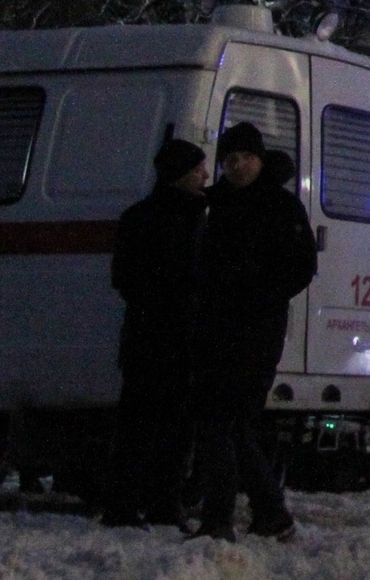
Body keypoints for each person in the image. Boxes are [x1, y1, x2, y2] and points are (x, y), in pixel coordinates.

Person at [188, 122, 317, 543]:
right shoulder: (217, 205)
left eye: (245, 158)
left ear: (260, 160)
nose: (238, 166)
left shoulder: (280, 207)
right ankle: (268, 512)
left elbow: (301, 266)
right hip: (216, 328)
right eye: (230, 160)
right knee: (234, 425)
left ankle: (222, 516)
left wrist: (261, 289)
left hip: (255, 331)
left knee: (224, 422)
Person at [99, 139, 209, 528]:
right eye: (198, 169)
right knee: (167, 426)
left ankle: (130, 503)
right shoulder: (195, 219)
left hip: (147, 335)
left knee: (142, 425)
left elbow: (124, 278)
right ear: (181, 174)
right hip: (171, 335)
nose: (205, 176)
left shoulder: (139, 216)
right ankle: (157, 502)